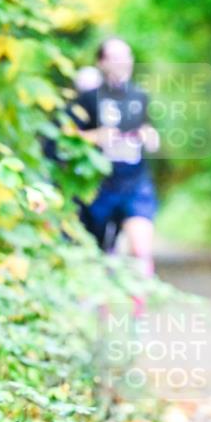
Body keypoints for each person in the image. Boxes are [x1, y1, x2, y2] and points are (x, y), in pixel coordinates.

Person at [71, 37, 160, 277]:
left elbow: (152, 135)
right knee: (100, 251)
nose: (124, 62)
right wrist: (95, 137)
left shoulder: (140, 96)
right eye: (116, 57)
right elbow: (65, 138)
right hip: (99, 185)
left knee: (141, 249)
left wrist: (148, 137)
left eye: (127, 56)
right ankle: (101, 305)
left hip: (135, 182)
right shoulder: (88, 99)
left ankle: (138, 310)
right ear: (101, 62)